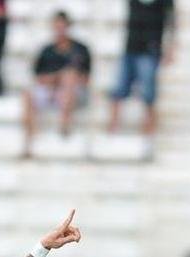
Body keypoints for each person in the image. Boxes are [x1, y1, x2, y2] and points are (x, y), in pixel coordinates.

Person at [107, 0, 177, 161]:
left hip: (150, 50)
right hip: (130, 48)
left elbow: (172, 22)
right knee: (118, 91)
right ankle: (112, 132)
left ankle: (148, 136)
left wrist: (171, 48)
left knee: (149, 95)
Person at [22, 11, 92, 158]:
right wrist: (56, 78)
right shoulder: (46, 50)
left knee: (69, 77)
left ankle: (64, 125)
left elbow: (86, 78)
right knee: (27, 95)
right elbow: (38, 78)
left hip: (74, 94)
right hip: (50, 91)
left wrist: (63, 78)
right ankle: (30, 141)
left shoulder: (80, 49)